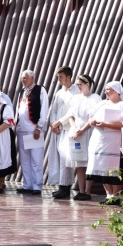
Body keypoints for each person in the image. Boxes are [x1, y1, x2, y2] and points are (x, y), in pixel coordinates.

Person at [86, 82, 123, 206]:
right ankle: (108, 194)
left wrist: (106, 124)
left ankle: (116, 196)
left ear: (117, 91)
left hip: (114, 141)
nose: (106, 92)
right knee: (101, 166)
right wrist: (93, 121)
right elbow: (90, 118)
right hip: (99, 139)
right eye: (106, 89)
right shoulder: (101, 103)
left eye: (109, 89)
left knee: (113, 168)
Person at [65, 74, 102, 201]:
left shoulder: (95, 98)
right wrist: (75, 128)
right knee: (79, 162)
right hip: (77, 131)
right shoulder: (76, 98)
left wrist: (82, 129)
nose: (78, 87)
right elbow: (70, 115)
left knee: (89, 162)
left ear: (87, 84)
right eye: (77, 85)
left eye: (80, 84)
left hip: (88, 131)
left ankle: (87, 190)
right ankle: (81, 190)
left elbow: (94, 117)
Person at [48, 66, 80, 199]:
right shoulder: (59, 92)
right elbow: (53, 109)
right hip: (58, 130)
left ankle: (65, 186)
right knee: (58, 157)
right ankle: (60, 185)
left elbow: (72, 111)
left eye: (61, 77)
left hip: (68, 129)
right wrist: (53, 123)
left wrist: (59, 122)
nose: (59, 79)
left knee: (66, 158)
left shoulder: (76, 92)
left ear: (68, 77)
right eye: (58, 77)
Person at [16, 70, 48, 195]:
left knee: (36, 159)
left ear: (32, 78)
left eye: (25, 78)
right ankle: (27, 185)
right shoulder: (22, 91)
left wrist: (39, 128)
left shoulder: (40, 90)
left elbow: (44, 109)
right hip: (22, 130)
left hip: (33, 130)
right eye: (21, 78)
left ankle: (37, 186)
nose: (22, 80)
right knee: (24, 159)